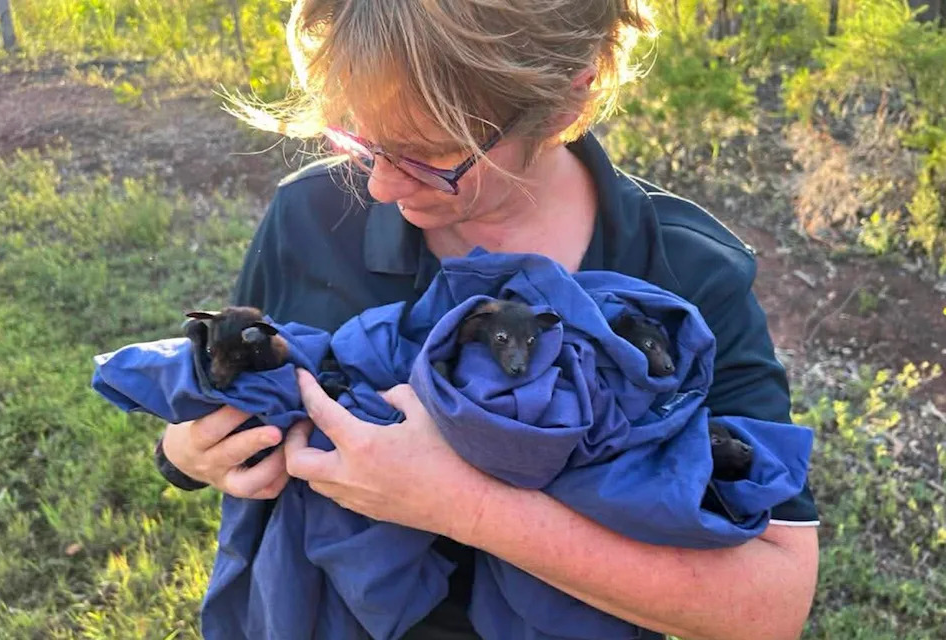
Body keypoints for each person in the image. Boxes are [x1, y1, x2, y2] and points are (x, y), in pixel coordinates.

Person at [154, 1, 820, 638]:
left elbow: (771, 604)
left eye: (429, 152)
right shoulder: (311, 216)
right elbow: (234, 392)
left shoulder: (685, 274)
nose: (381, 186)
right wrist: (189, 454)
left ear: (569, 98)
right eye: (362, 138)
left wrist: (464, 504)